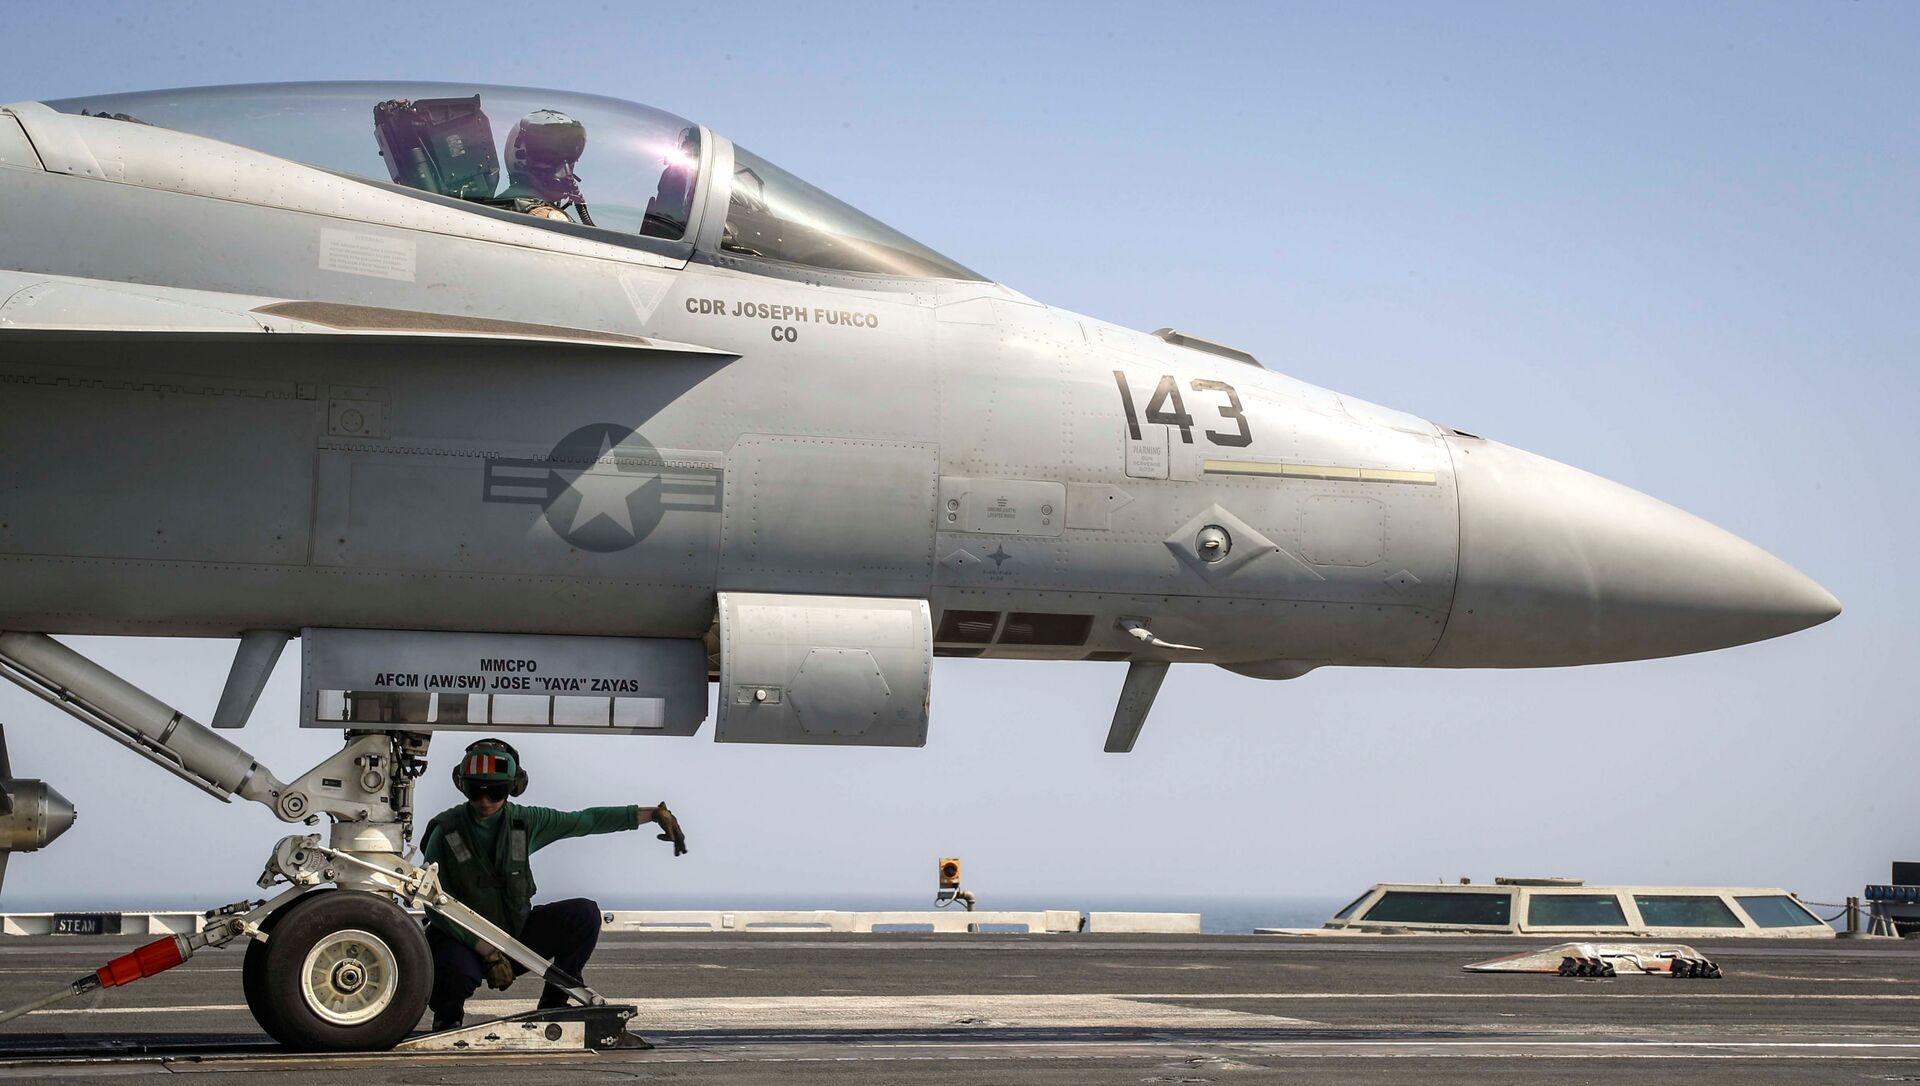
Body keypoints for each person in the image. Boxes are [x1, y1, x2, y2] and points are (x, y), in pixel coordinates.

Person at [421, 736, 685, 1031]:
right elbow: (435, 902)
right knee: (451, 967)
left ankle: (555, 1001)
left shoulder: (525, 822)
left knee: (583, 914)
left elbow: (585, 821)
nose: (485, 801)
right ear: (462, 786)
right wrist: (485, 949)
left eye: (495, 792)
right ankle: (448, 1016)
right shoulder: (447, 831)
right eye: (476, 791)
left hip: (513, 937)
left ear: (513, 788)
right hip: (464, 941)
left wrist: (653, 814)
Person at [498, 109, 594, 224]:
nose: (564, 167)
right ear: (519, 157)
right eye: (547, 155)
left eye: (570, 155)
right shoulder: (545, 218)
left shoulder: (500, 203)